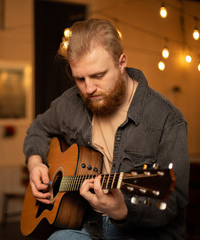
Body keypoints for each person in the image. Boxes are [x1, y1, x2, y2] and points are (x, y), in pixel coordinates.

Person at [23, 18, 189, 239]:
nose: (89, 88)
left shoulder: (167, 119)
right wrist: (35, 163)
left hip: (138, 231)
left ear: (121, 63)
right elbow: (38, 128)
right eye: (80, 79)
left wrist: (122, 210)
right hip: (88, 223)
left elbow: (173, 200)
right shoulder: (71, 102)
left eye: (98, 76)